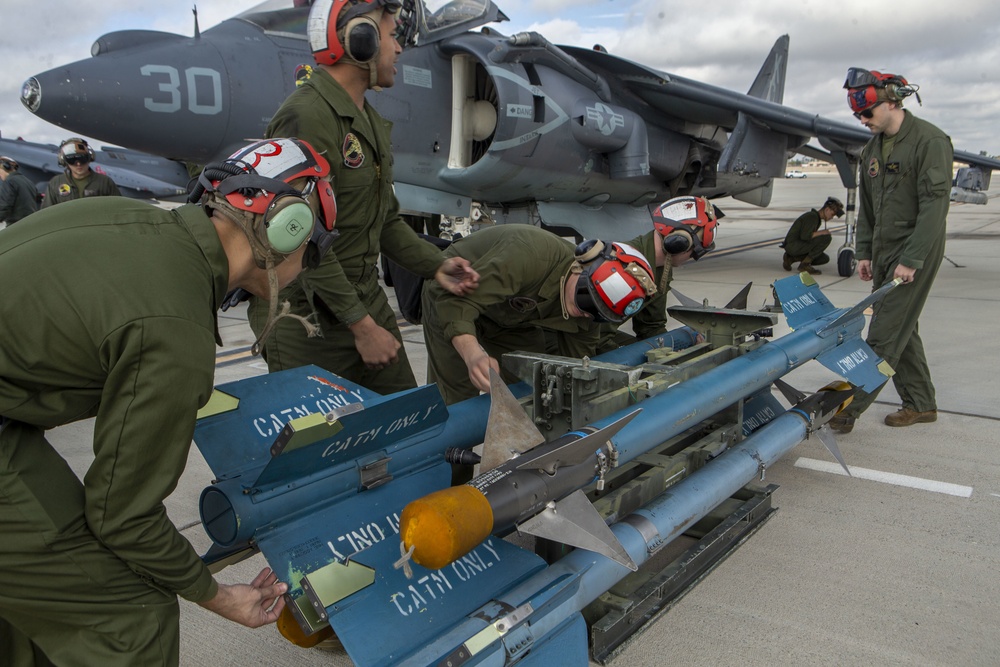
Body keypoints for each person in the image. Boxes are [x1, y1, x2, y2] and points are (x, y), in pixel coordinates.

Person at [0, 137, 339, 666]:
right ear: (285, 230)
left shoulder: (130, 220)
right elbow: (121, 514)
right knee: (131, 619)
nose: (309, 259)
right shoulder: (175, 327)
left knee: (43, 603)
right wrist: (218, 595)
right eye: (313, 245)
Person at [249, 0, 478, 394]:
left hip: (361, 300)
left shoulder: (366, 118)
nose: (400, 49)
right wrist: (362, 325)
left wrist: (436, 266)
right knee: (324, 449)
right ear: (362, 42)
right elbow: (298, 236)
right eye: (392, 36)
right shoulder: (307, 116)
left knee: (408, 425)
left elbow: (384, 220)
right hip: (308, 318)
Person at [829, 68, 952, 434]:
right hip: (883, 252)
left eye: (868, 113)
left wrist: (911, 260)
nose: (863, 120)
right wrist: (864, 252)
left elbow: (935, 208)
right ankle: (920, 403)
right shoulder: (872, 149)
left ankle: (845, 409)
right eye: (858, 116)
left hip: (915, 250)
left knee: (883, 335)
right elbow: (868, 207)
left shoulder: (930, 142)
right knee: (902, 327)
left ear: (894, 101)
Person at [422, 225, 657, 404]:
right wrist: (472, 355)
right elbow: (456, 303)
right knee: (457, 402)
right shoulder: (527, 256)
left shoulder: (587, 315)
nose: (586, 314)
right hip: (453, 295)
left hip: (511, 320)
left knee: (533, 386)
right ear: (580, 266)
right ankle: (448, 465)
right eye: (586, 299)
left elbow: (573, 369)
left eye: (598, 315)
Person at [596, 195, 722, 353]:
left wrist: (671, 353)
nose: (692, 258)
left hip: (595, 337)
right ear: (679, 244)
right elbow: (597, 339)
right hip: (571, 341)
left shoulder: (659, 269)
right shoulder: (624, 270)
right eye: (695, 252)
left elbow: (651, 327)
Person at [40, 137, 121, 208]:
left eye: (82, 159)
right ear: (64, 162)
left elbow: (119, 208)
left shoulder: (104, 182)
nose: (78, 164)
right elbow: (46, 212)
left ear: (90, 158)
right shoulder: (56, 183)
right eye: (72, 160)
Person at [780, 196, 843, 275]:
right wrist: (822, 233)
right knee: (826, 238)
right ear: (827, 210)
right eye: (832, 214)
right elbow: (805, 236)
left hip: (795, 246)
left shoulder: (815, 218)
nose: (832, 217)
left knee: (823, 258)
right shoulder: (812, 217)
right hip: (793, 245)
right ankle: (805, 265)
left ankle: (791, 258)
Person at [0, 156, 39, 226]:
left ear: (5, 168)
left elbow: (5, 205)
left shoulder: (9, 181)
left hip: (15, 225)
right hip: (30, 223)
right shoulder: (28, 181)